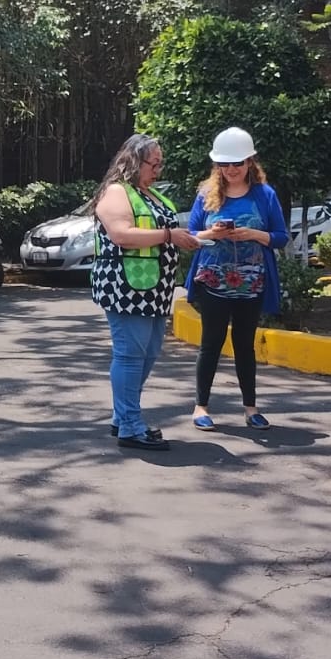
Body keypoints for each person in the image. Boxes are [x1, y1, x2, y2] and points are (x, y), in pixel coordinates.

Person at [92, 134, 201, 450]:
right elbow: (121, 234)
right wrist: (169, 235)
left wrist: (199, 236)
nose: (158, 170)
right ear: (134, 161)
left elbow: (169, 234)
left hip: (154, 289)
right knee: (130, 355)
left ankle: (123, 416)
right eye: (154, 164)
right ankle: (130, 425)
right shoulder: (116, 192)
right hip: (127, 288)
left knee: (148, 354)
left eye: (160, 164)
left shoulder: (149, 195)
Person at [184, 128, 290, 432]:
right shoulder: (206, 194)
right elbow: (191, 236)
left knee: (245, 345)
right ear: (217, 165)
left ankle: (251, 408)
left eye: (237, 163)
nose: (231, 169)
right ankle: (201, 406)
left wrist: (254, 234)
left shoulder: (265, 195)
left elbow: (280, 237)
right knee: (211, 343)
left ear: (249, 162)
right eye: (225, 164)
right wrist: (213, 234)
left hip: (251, 281)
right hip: (213, 280)